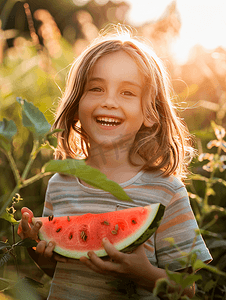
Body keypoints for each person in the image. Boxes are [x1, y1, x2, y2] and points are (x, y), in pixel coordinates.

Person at [18, 25, 212, 299]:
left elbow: (188, 289)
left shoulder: (166, 191)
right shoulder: (60, 183)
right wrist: (39, 253)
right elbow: (62, 268)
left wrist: (142, 274)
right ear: (76, 105)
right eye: (96, 88)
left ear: (149, 113)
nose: (109, 101)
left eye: (127, 92)